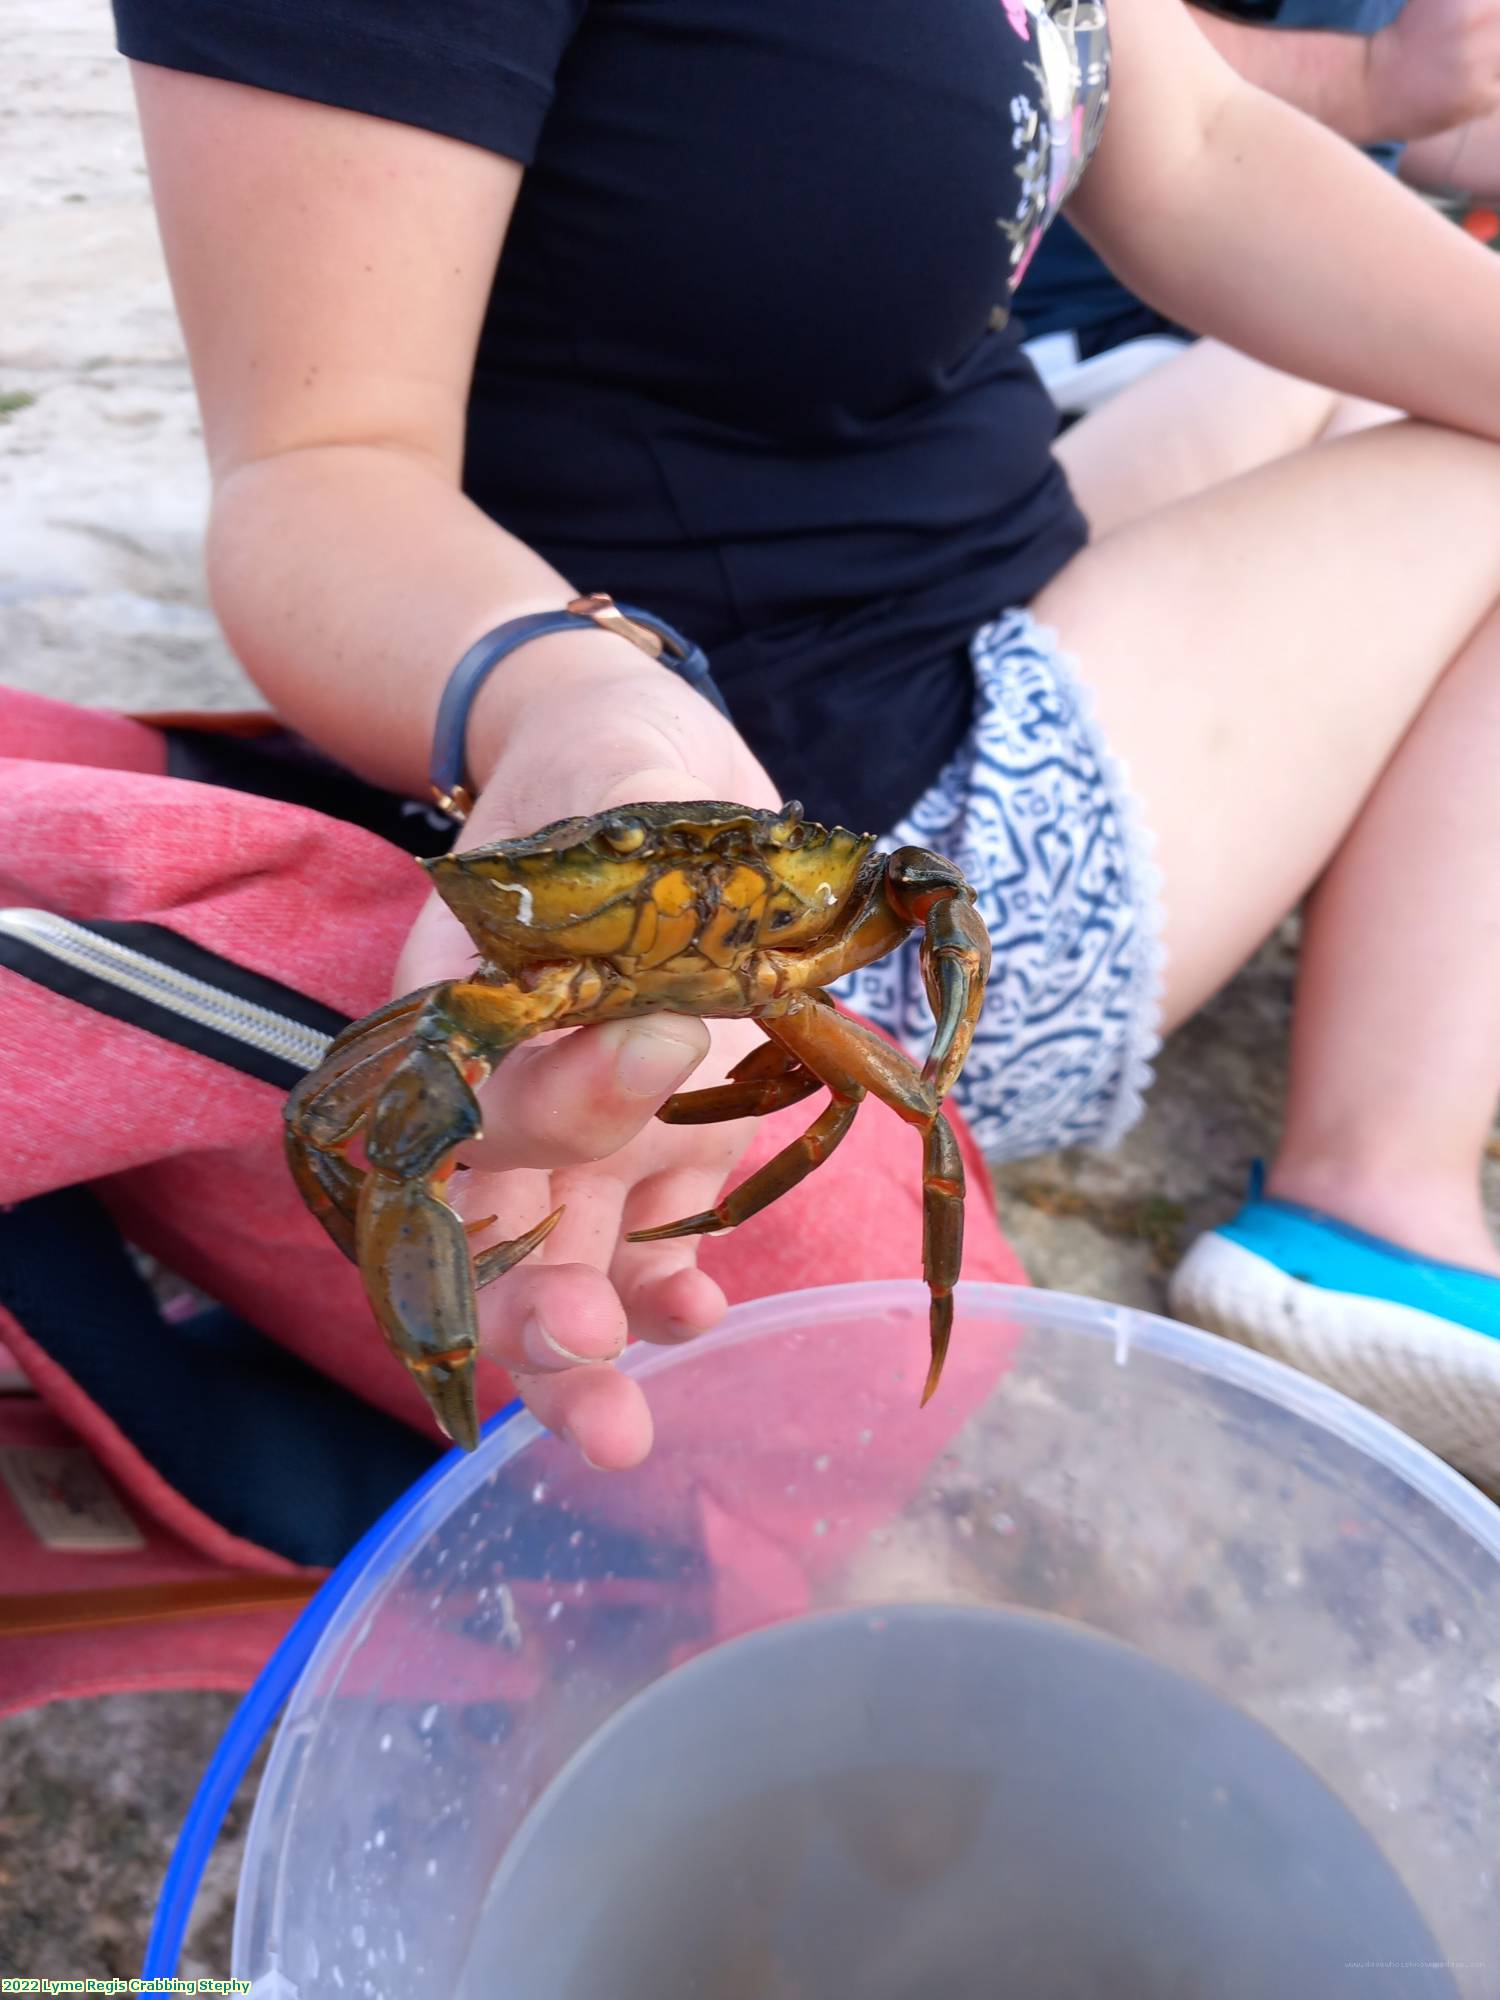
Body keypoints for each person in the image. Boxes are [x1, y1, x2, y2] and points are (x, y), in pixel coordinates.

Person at [113, 0, 1500, 1488]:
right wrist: (581, 704)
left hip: (960, 589)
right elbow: (319, 469)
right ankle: (1379, 1193)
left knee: (1362, 369)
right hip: (829, 814)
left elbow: (1206, 147)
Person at [1016, 0, 1500, 421]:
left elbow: (1412, 86)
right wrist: (1372, 77)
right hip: (1085, 335)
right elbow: (1057, 26)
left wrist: (1423, 83)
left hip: (1237, 317)